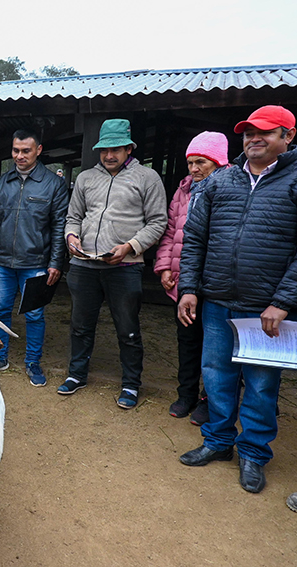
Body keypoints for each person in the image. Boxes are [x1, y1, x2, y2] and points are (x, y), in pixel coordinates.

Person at [178, 105, 297, 494]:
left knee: (261, 385)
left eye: (264, 132)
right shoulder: (221, 182)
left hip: (265, 309)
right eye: (248, 133)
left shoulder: (294, 180)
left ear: (288, 137)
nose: (253, 139)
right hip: (216, 300)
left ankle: (253, 453)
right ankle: (218, 441)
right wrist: (190, 288)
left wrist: (282, 301)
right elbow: (195, 238)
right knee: (216, 374)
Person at [60, 118, 167, 409]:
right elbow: (73, 217)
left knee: (128, 328)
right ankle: (77, 374)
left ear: (129, 148)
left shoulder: (147, 177)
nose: (109, 155)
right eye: (104, 149)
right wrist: (72, 238)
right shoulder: (85, 178)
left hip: (125, 266)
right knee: (80, 325)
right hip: (85, 265)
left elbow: (158, 222)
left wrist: (131, 246)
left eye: (116, 149)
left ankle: (131, 384)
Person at [0, 130, 68, 383]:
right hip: (2, 261)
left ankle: (33, 362)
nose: (19, 156)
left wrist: (55, 263)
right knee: (0, 310)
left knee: (35, 315)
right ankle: (1, 356)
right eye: (15, 150)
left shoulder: (54, 184)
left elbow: (60, 227)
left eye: (25, 151)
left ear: (38, 150)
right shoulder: (2, 183)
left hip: (36, 262)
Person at [154, 131, 228, 424]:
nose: (194, 169)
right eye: (190, 163)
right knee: (187, 341)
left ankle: (210, 399)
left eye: (201, 162)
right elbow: (171, 232)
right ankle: (186, 393)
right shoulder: (183, 191)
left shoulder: (230, 189)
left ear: (219, 161)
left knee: (215, 347)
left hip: (215, 284)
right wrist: (165, 268)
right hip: (183, 282)